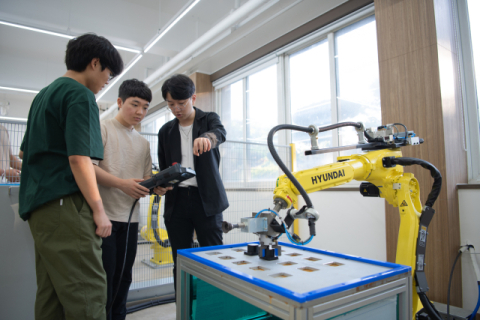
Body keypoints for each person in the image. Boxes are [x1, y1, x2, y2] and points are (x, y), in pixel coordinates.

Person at [19, 33, 123, 320]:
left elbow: (27, 153)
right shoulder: (80, 94)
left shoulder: (44, 94)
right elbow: (79, 159)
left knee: (51, 295)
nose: (106, 81)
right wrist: (99, 210)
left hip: (40, 210)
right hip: (66, 208)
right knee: (87, 293)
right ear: (94, 63)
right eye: (108, 74)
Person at [92, 79, 164, 320]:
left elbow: (144, 179)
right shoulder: (102, 129)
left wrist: (156, 186)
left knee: (124, 277)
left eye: (145, 107)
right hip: (104, 218)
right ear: (120, 102)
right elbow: (89, 168)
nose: (140, 112)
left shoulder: (143, 143)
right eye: (135, 105)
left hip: (131, 219)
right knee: (105, 278)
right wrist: (122, 184)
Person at [156, 74, 229, 293]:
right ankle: (184, 309)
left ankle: (214, 309)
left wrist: (207, 138)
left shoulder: (208, 119)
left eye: (181, 103)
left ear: (193, 98)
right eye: (171, 104)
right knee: (181, 260)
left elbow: (220, 133)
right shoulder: (165, 131)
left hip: (206, 200)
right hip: (176, 201)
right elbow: (163, 169)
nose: (176, 108)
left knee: (213, 257)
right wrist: (160, 185)